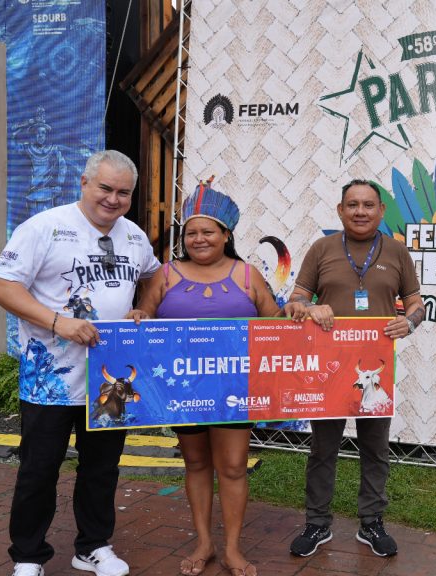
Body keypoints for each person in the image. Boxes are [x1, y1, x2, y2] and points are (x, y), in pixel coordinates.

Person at [0, 150, 160, 576]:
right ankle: (28, 556)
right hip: (51, 380)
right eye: (105, 188)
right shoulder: (45, 227)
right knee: (39, 469)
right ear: (84, 183)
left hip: (108, 383)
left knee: (101, 469)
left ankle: (93, 547)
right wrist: (57, 322)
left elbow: (155, 275)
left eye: (124, 193)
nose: (113, 199)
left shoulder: (135, 237)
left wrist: (145, 308)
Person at [134, 179, 279, 576]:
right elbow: (144, 316)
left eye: (208, 231)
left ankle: (232, 549)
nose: (198, 239)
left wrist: (303, 313)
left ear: (226, 235)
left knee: (232, 467)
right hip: (183, 390)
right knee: (196, 464)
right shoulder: (166, 274)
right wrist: (138, 317)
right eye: (191, 233)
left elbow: (276, 324)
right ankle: (204, 543)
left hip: (234, 389)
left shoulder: (247, 275)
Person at [284, 179, 425, 558]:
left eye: (368, 205)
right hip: (328, 368)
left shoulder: (397, 251)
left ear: (381, 211)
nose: (360, 211)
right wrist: (309, 307)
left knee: (376, 448)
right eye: (352, 205)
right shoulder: (322, 249)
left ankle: (372, 522)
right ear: (340, 210)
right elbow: (295, 301)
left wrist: (409, 322)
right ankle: (317, 523)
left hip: (376, 370)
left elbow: (416, 303)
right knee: (322, 449)